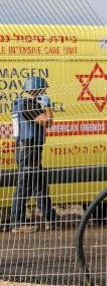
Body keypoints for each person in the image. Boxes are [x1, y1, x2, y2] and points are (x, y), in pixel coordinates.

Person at [9, 76, 57, 233]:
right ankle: (17, 223)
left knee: (40, 186)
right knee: (25, 186)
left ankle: (51, 219)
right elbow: (47, 122)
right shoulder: (30, 105)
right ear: (37, 90)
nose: (45, 91)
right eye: (43, 89)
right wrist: (48, 106)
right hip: (29, 150)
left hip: (28, 150)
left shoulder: (22, 104)